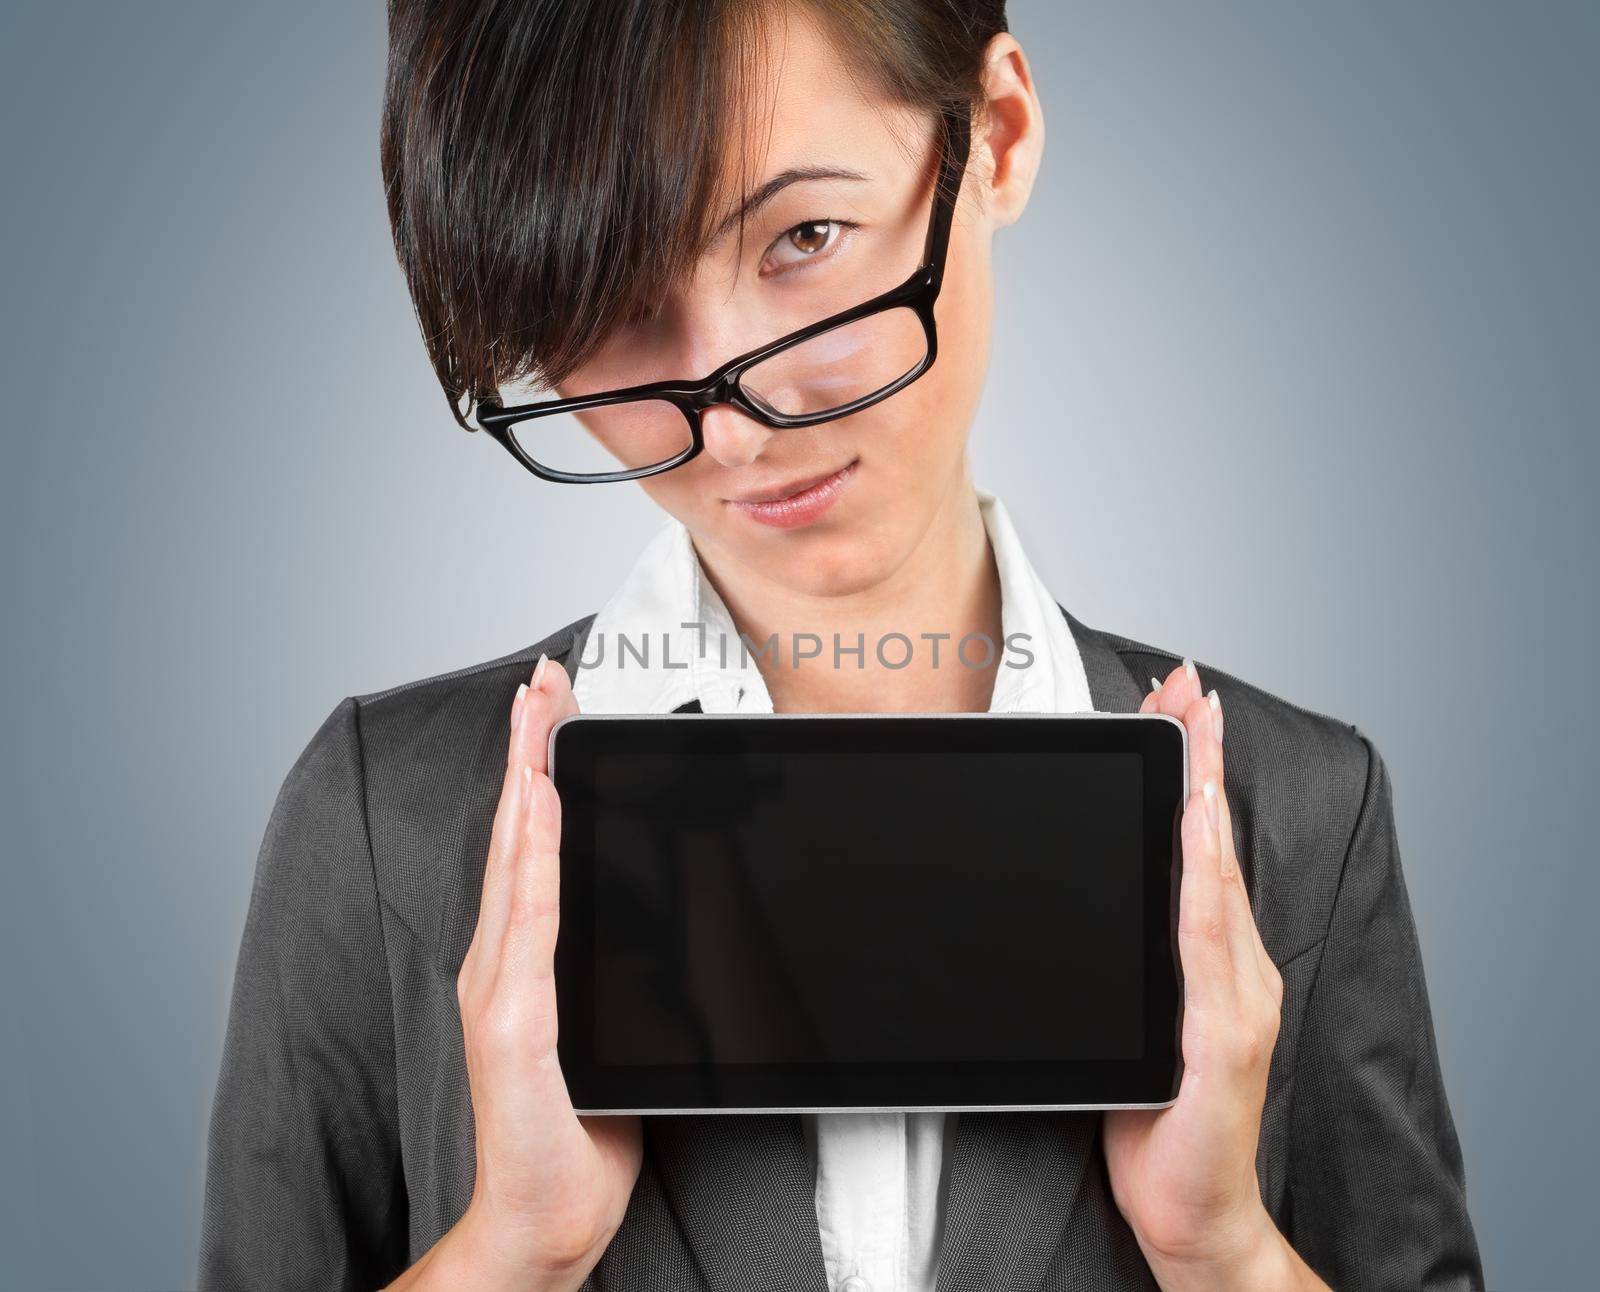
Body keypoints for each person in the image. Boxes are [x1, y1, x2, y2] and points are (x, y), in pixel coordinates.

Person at [197, 2, 1484, 1289]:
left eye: (803, 238)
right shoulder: (386, 826)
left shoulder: (1299, 820)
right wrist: (512, 1248)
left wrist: (1226, 1251)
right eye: (614, 300)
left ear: (997, 135)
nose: (734, 422)